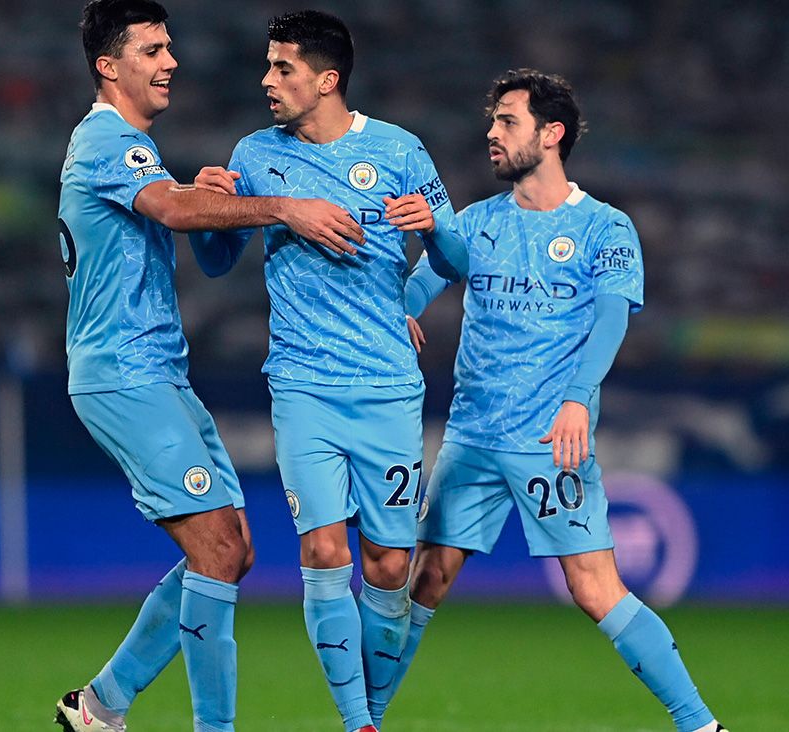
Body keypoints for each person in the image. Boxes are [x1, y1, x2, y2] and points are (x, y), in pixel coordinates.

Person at [377, 69, 729, 732]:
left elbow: (612, 318)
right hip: (472, 437)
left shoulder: (605, 227)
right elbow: (424, 282)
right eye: (493, 121)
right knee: (424, 580)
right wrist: (397, 313)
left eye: (507, 120)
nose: (492, 132)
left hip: (550, 440)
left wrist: (575, 399)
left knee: (594, 589)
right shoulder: (474, 225)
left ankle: (701, 725)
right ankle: (363, 721)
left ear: (551, 133)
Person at [53, 2, 367, 731]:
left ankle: (100, 706)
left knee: (231, 552)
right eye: (153, 50)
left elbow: (170, 201)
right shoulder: (105, 138)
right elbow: (172, 212)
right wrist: (282, 207)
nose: (170, 62)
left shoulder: (128, 148)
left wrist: (201, 189)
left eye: (170, 48)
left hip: (156, 371)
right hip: (123, 375)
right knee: (218, 548)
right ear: (109, 66)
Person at [187, 11, 468, 732]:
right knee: (323, 548)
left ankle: (367, 711)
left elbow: (459, 261)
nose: (267, 80)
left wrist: (434, 231)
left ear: (327, 79)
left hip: (387, 389)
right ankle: (359, 723)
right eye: (268, 65)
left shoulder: (400, 151)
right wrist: (214, 202)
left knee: (386, 566)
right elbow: (218, 263)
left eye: (283, 68)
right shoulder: (254, 154)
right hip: (303, 384)